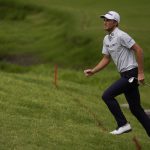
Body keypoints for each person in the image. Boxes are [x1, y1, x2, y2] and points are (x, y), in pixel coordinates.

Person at [84, 11, 150, 136]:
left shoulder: (121, 35)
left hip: (131, 73)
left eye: (108, 20)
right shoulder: (106, 39)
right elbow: (106, 58)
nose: (105, 22)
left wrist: (140, 73)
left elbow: (139, 50)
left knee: (107, 96)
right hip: (124, 75)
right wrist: (93, 71)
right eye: (104, 20)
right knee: (136, 109)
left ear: (115, 22)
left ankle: (123, 124)